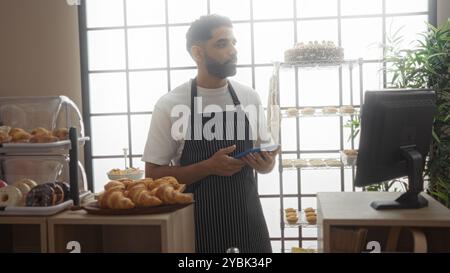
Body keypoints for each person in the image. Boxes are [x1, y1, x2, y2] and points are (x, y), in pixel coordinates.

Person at [142, 14, 278, 253]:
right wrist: (209, 167)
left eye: (234, 42)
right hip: (194, 227)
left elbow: (266, 163)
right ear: (198, 53)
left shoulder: (249, 97)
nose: (233, 51)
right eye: (222, 44)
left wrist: (265, 164)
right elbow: (153, 176)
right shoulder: (171, 104)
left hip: (248, 223)